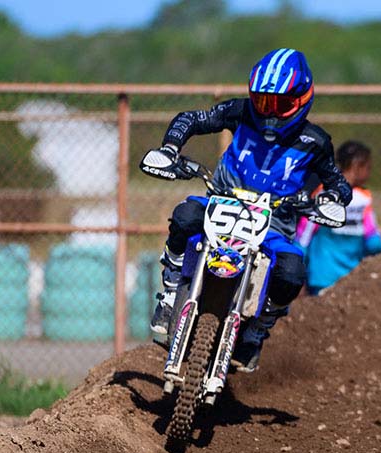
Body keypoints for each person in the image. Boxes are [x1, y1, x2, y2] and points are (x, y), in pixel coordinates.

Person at [146, 48, 352, 372]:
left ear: (302, 99)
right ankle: (171, 293)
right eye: (263, 102)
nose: (269, 113)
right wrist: (171, 148)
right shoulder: (240, 111)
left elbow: (339, 183)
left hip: (274, 223)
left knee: (292, 273)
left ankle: (258, 328)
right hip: (220, 202)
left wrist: (330, 199)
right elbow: (192, 118)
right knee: (185, 216)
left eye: (279, 104)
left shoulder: (315, 142)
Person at [297, 140, 381, 295]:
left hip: (322, 276)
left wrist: (297, 268)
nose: (369, 173)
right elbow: (373, 241)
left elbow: (303, 237)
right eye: (368, 167)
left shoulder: (324, 193)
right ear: (357, 165)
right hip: (352, 278)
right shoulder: (364, 199)